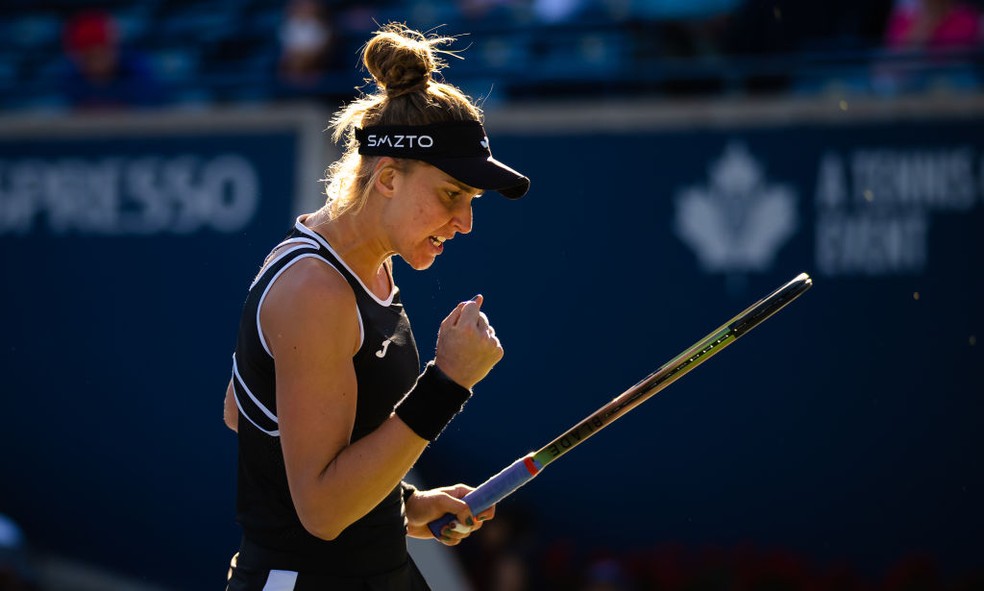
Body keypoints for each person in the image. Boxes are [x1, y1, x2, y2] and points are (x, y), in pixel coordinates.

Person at [222, 22, 530, 591]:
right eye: (451, 195)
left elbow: (248, 415)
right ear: (388, 177)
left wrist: (404, 506)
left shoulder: (369, 265)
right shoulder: (314, 289)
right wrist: (449, 383)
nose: (464, 223)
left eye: (471, 201)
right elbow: (322, 511)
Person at [60, 10, 164, 110]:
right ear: (77, 57)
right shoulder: (67, 87)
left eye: (103, 52)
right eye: (90, 56)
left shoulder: (138, 79)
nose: (98, 62)